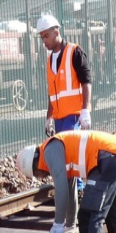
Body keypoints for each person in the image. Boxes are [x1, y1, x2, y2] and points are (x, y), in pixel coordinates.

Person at [16, 129, 116, 233]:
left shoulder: (49, 151)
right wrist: (69, 223)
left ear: (35, 162)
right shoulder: (58, 150)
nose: (40, 177)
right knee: (115, 210)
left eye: (36, 173)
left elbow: (60, 189)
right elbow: (69, 189)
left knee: (90, 213)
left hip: (108, 157)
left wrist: (58, 224)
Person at [36, 14, 93, 197]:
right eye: (42, 37)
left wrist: (85, 110)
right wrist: (49, 118)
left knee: (68, 156)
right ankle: (75, 193)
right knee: (66, 157)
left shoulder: (74, 51)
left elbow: (86, 81)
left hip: (74, 115)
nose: (44, 41)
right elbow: (53, 93)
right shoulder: (49, 60)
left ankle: (76, 193)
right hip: (60, 117)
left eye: (46, 36)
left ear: (56, 31)